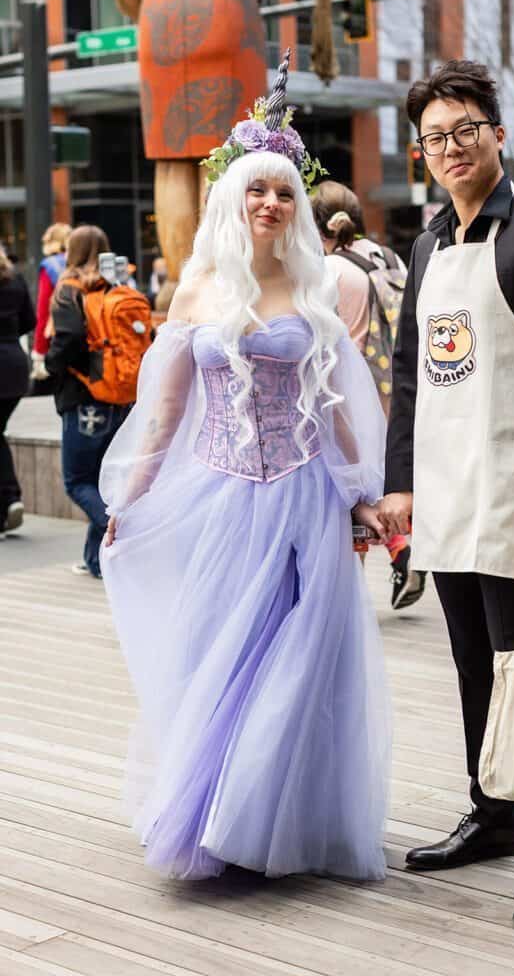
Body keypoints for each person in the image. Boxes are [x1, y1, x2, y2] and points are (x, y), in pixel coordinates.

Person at [98, 57, 391, 882]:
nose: (271, 203)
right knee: (226, 654)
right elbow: (160, 414)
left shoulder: (316, 292)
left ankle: (286, 823)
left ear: (299, 206)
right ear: (233, 201)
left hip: (301, 498)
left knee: (305, 660)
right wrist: (130, 496)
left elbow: (334, 405)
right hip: (224, 497)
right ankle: (219, 822)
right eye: (257, 190)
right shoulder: (194, 296)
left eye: (285, 192)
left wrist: (359, 495)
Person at [378, 59, 514, 927]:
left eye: (465, 129)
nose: (451, 147)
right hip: (446, 489)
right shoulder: (425, 246)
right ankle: (494, 813)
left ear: (496, 135)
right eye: (434, 137)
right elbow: (406, 373)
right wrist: (397, 483)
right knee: (472, 668)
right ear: (421, 151)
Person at [312, 180, 425, 611]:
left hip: (353, 397)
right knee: (377, 490)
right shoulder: (388, 256)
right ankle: (402, 550)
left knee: (350, 493)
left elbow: (338, 346)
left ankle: (353, 595)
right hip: (393, 393)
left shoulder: (332, 271)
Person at [45, 226, 133, 578]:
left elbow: (68, 337)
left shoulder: (70, 288)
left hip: (84, 397)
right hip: (120, 395)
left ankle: (122, 535)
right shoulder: (119, 284)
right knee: (102, 480)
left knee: (77, 481)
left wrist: (51, 365)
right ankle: (94, 560)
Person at [0, 245, 36, 535]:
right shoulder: (15, 280)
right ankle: (8, 501)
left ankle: (10, 497)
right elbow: (30, 321)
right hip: (14, 366)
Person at [30, 222, 71, 391]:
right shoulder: (82, 262)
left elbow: (43, 312)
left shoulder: (50, 266)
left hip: (59, 336)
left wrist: (39, 352)